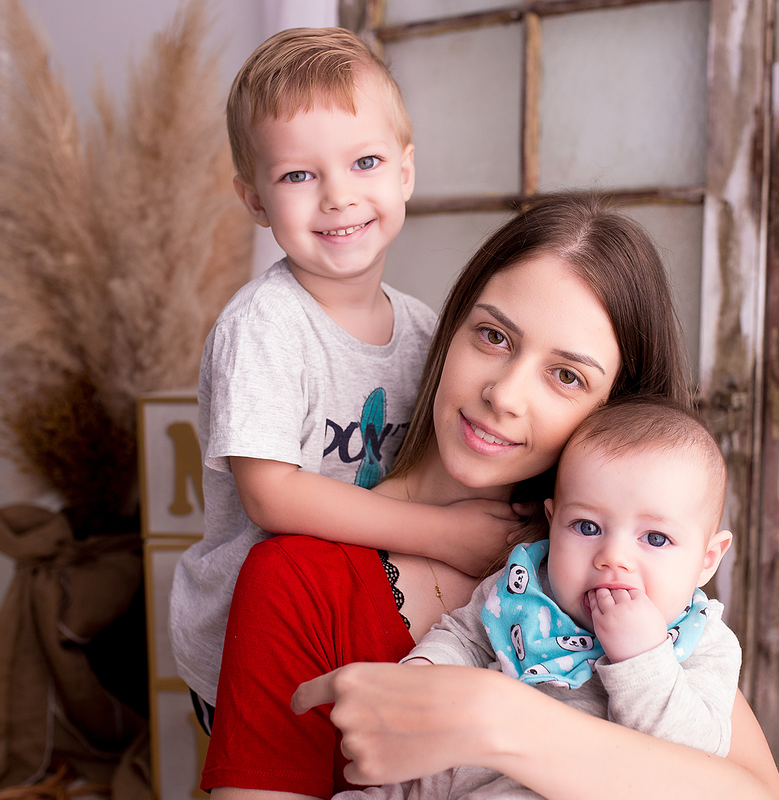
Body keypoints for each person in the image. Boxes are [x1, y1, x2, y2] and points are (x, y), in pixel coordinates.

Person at [203, 193, 779, 800]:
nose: (505, 395)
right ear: (451, 330)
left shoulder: (610, 572)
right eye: (493, 336)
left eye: (566, 376)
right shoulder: (298, 581)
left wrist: (501, 720)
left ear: (618, 414)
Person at [170, 28, 518, 727]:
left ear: (405, 173)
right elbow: (273, 497)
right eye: (299, 175)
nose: (338, 197)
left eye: (365, 161)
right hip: (258, 636)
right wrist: (446, 535)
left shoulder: (424, 330)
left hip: (369, 611)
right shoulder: (264, 327)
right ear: (256, 201)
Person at [333, 396, 739, 800]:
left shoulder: (699, 642)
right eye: (586, 527)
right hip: (430, 779)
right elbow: (466, 636)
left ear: (706, 561)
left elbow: (696, 759)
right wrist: (423, 671)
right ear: (552, 522)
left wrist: (643, 658)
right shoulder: (526, 584)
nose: (613, 558)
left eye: (655, 538)